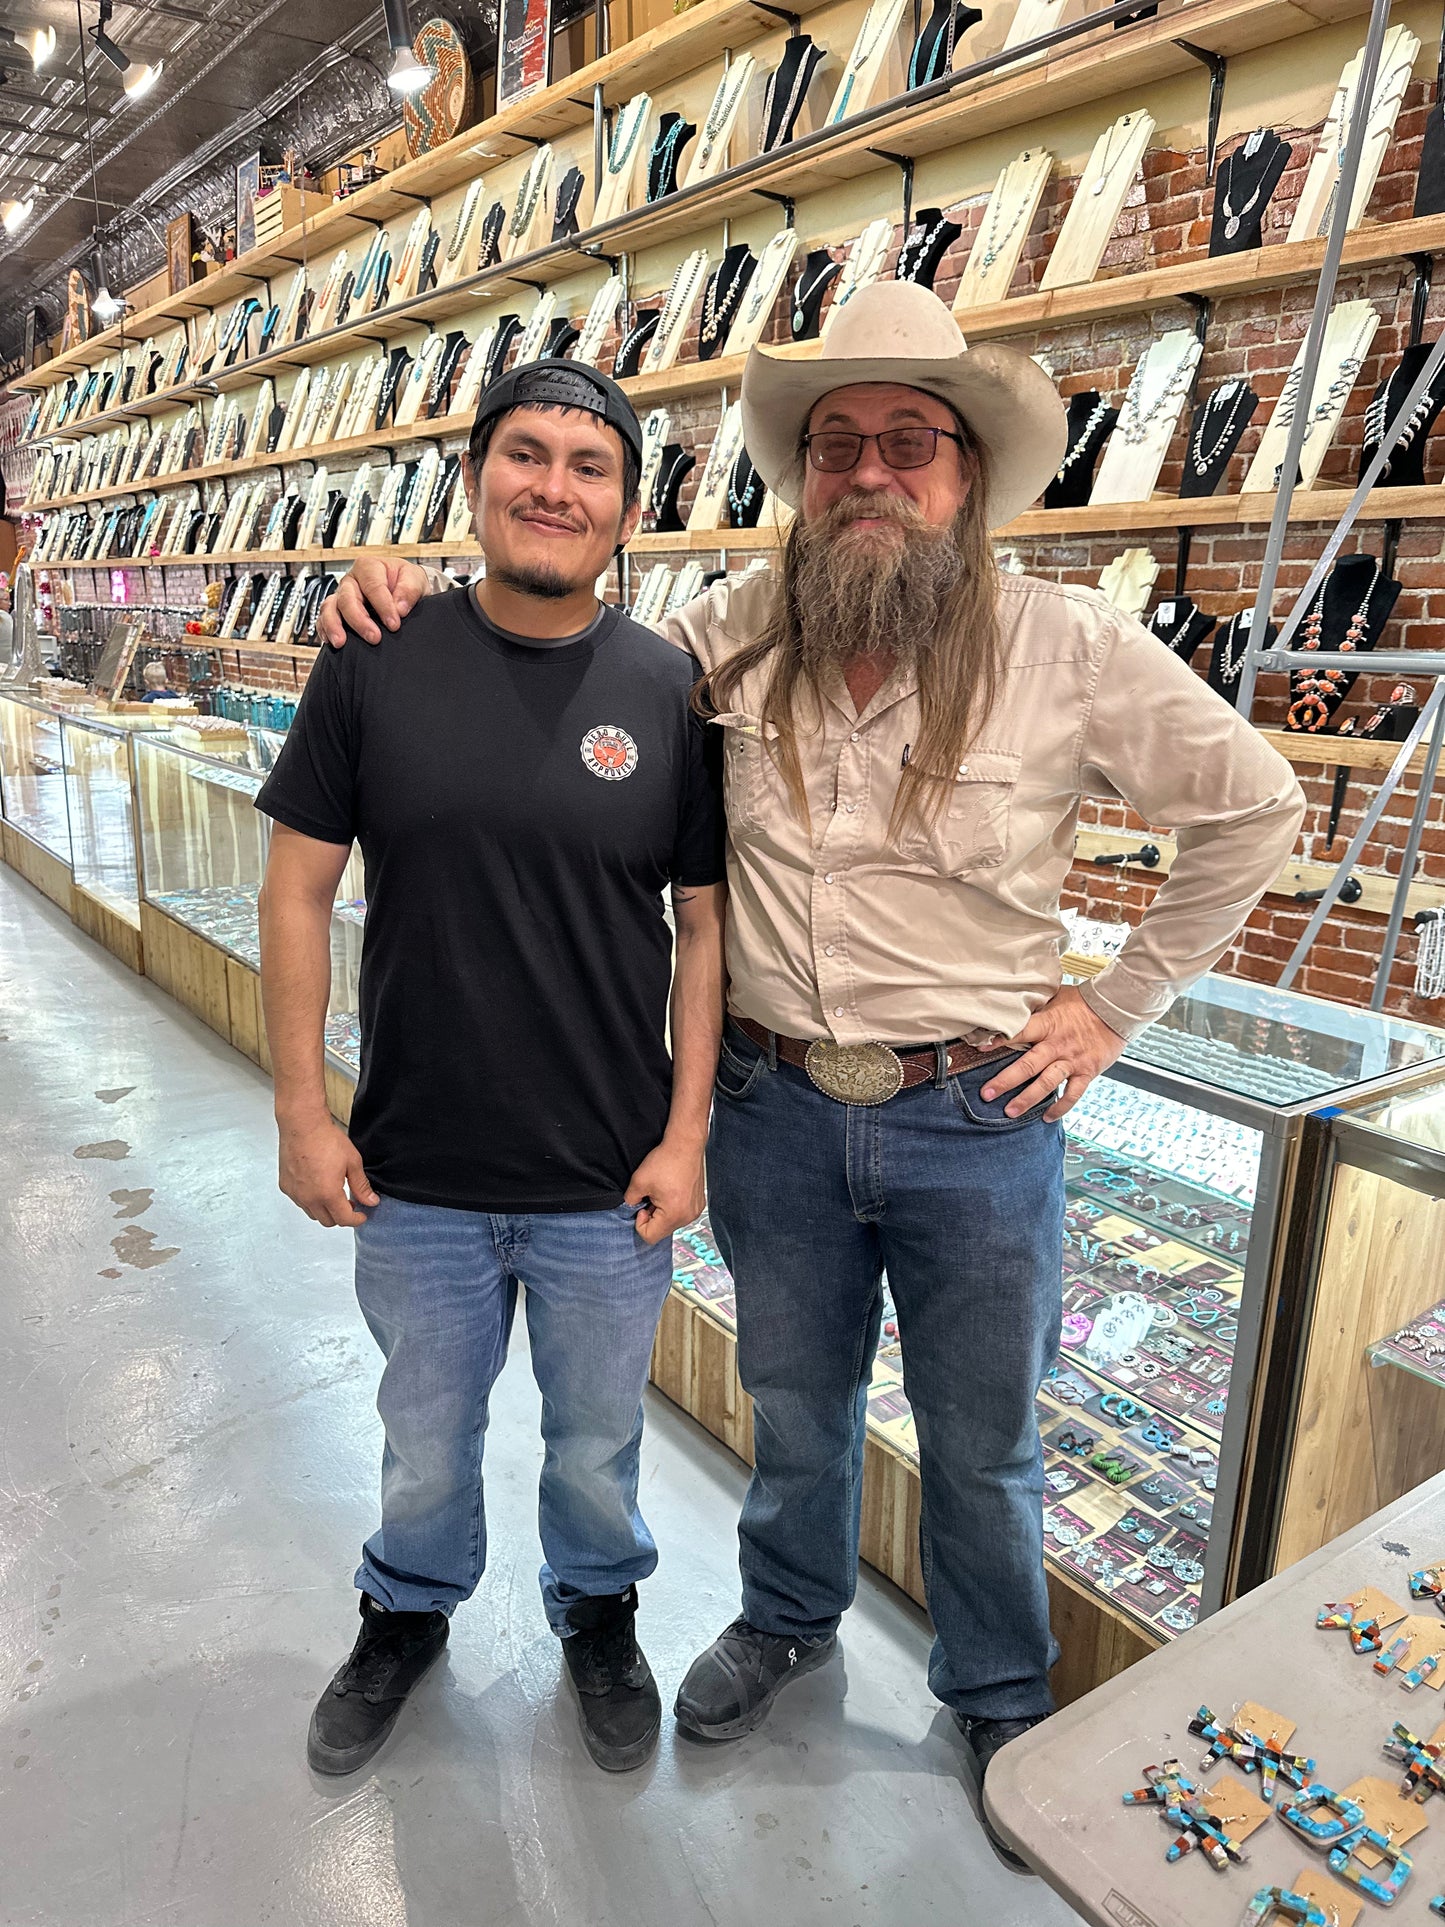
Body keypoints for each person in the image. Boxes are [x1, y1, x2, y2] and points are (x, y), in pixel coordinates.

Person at [318, 283, 1304, 1861]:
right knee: (795, 1404)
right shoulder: (723, 638)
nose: (867, 472)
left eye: (906, 443)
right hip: (771, 1110)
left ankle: (993, 1685)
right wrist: (403, 585)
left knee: (982, 1436)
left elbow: (1256, 812)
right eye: (837, 443)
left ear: (966, 474)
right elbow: (549, 633)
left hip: (979, 1118)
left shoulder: (1070, 649)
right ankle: (786, 1620)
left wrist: (1113, 1009)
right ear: (802, 474)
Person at [255, 361, 727, 1780]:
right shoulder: (375, 657)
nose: (553, 487)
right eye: (525, 455)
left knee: (594, 1443)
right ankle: (405, 1609)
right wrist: (297, 1110)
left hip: (605, 1179)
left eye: (590, 466)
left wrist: (685, 1133)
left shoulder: (668, 689)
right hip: (417, 1167)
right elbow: (294, 891)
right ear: (473, 480)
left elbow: (701, 925)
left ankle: (596, 1612)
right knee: (421, 1434)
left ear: (628, 507)